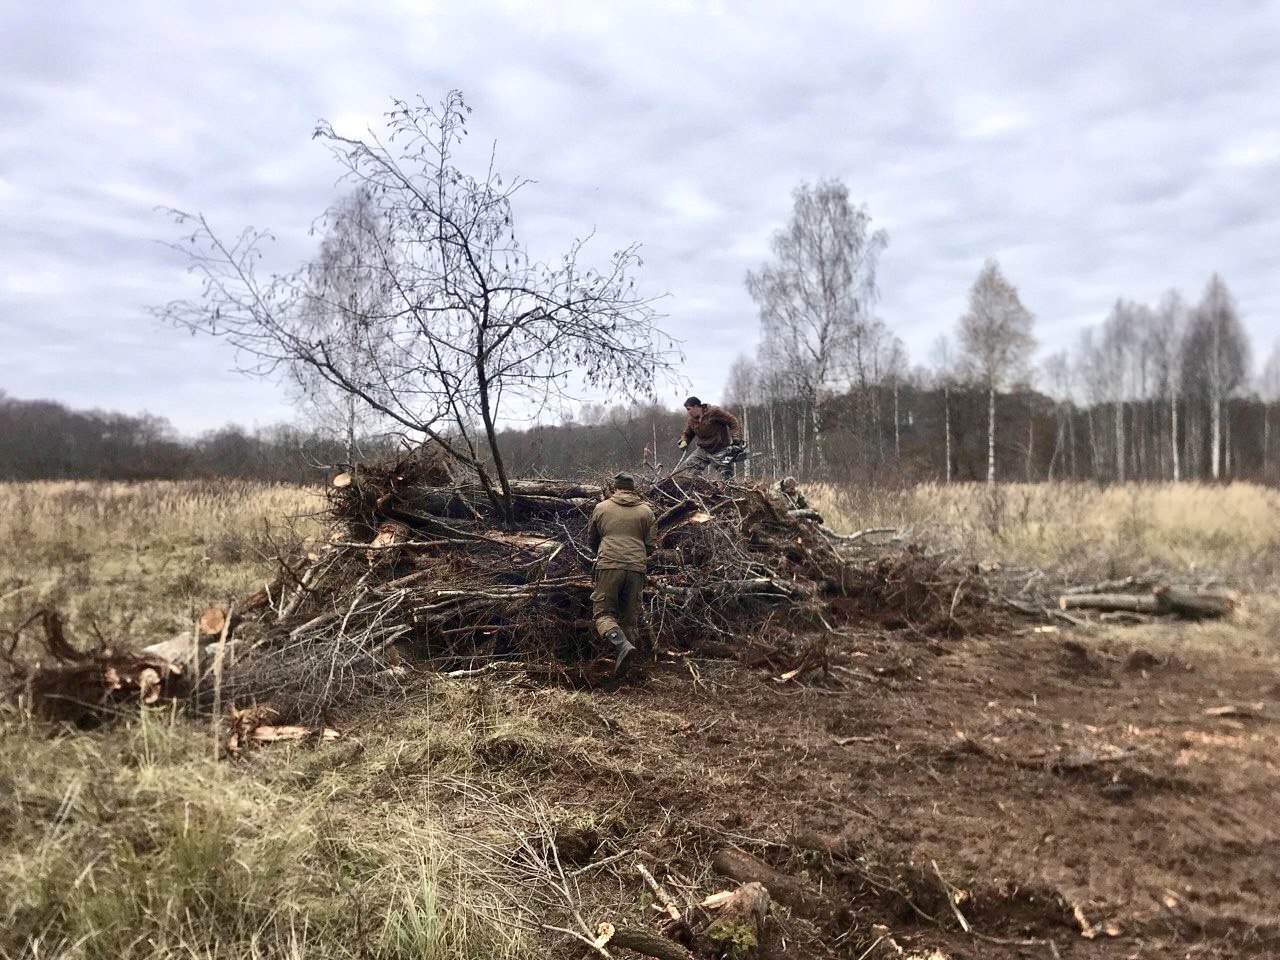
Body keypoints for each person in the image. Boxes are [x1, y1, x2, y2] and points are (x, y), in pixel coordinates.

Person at [587, 473, 655, 674]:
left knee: (603, 614)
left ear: (615, 488)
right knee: (629, 619)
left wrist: (604, 554)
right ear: (633, 489)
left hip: (609, 565)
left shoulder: (602, 508)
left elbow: (592, 540)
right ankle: (630, 671)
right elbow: (650, 545)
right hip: (636, 568)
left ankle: (623, 646)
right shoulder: (646, 511)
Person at [675, 396, 743, 478]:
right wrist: (683, 441)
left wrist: (736, 438)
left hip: (720, 448)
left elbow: (732, 421)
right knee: (690, 465)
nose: (688, 412)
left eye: (689, 409)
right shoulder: (691, 421)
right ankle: (698, 486)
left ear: (696, 406)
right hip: (703, 449)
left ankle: (730, 488)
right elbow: (687, 434)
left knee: (726, 474)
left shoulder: (714, 412)